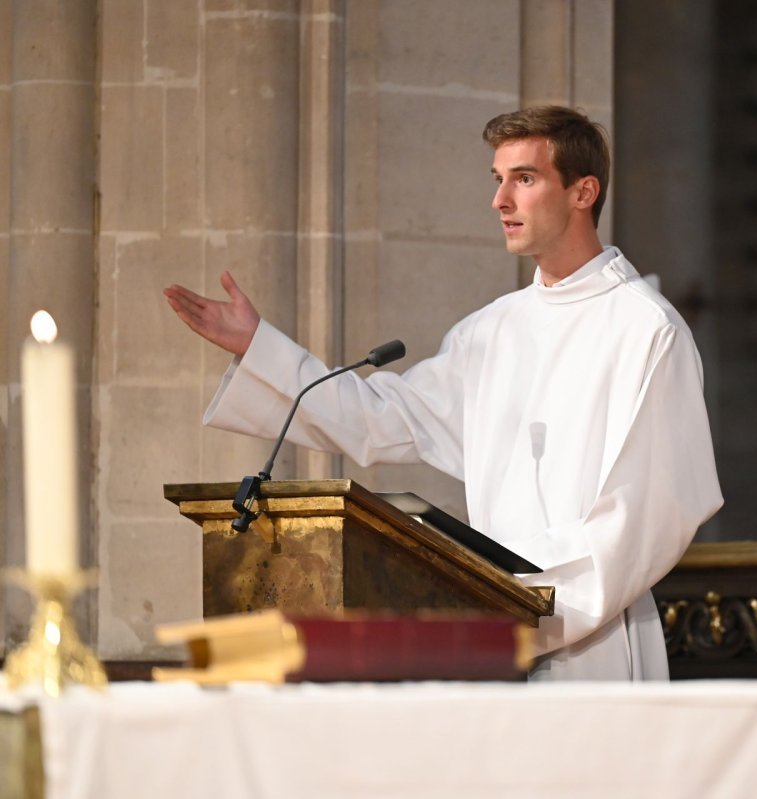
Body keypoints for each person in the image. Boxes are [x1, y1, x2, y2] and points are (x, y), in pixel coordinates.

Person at [163, 105, 723, 681]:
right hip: (489, 634)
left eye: (524, 179)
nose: (500, 200)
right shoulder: (491, 332)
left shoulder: (646, 330)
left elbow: (649, 515)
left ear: (583, 192)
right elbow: (380, 420)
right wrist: (261, 349)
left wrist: (521, 607)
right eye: (497, 179)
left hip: (592, 641)